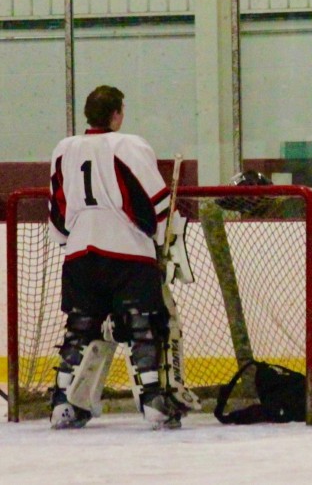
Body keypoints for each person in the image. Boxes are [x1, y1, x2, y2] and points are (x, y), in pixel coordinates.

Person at [47, 85, 188, 429]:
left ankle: (63, 401)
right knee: (142, 324)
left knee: (80, 325)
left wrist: (72, 238)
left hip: (80, 252)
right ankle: (153, 400)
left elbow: (57, 207)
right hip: (127, 251)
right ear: (116, 114)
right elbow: (157, 202)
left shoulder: (64, 149)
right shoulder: (129, 144)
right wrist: (162, 238)